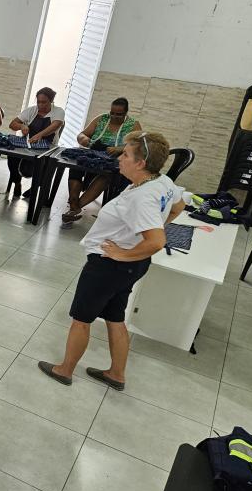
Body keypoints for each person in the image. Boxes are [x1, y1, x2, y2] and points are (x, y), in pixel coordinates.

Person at [38, 132, 185, 391]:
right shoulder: (162, 181)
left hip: (110, 266)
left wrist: (121, 253)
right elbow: (178, 207)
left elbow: (156, 241)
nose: (120, 158)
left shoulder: (142, 197)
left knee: (81, 318)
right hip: (133, 266)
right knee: (115, 317)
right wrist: (144, 236)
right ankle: (116, 374)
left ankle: (65, 370)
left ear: (140, 163)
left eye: (126, 155)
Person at [63, 98, 143, 224]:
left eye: (119, 114)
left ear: (126, 113)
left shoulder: (133, 125)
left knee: (107, 174)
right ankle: (73, 201)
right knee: (76, 165)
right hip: (94, 151)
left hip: (115, 157)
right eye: (112, 113)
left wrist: (120, 149)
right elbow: (82, 134)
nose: (114, 116)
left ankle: (76, 207)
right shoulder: (102, 119)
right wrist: (84, 139)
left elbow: (138, 146)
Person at [7, 87, 65, 197]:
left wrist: (39, 135)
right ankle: (17, 182)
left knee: (45, 163)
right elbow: (12, 124)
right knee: (12, 156)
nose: (40, 105)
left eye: (44, 102)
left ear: (51, 101)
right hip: (28, 144)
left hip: (48, 147)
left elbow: (55, 126)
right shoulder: (31, 110)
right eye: (38, 102)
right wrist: (22, 125)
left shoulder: (58, 112)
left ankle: (35, 187)